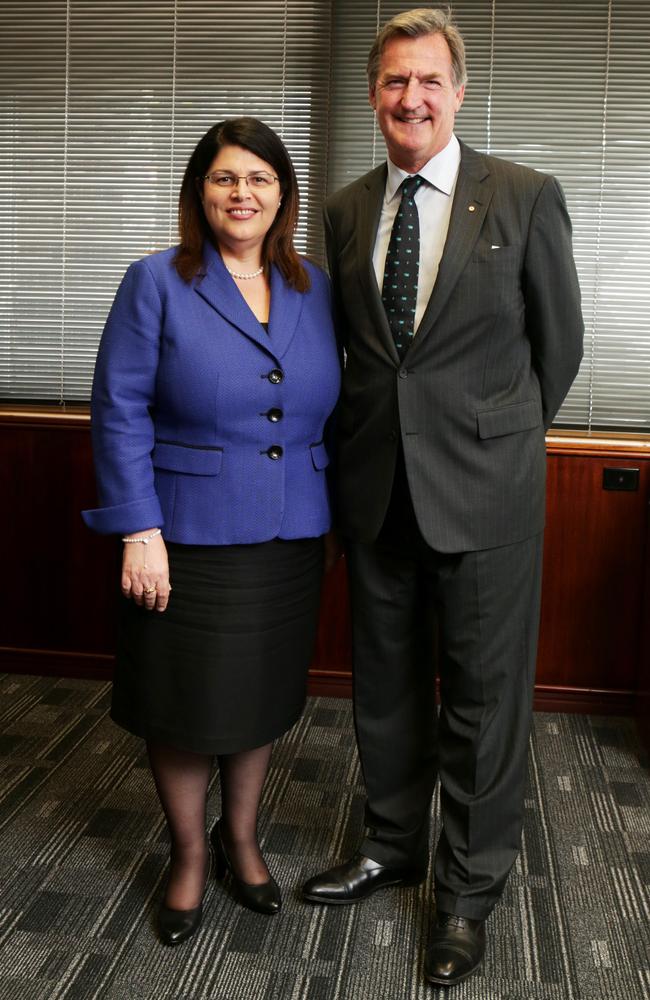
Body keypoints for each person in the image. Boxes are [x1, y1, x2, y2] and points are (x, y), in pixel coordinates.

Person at [302, 8, 583, 988]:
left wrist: (493, 440)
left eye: (426, 80)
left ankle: (466, 895)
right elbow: (348, 354)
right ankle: (391, 843)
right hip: (376, 490)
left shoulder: (521, 195)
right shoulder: (341, 211)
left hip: (486, 498)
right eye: (390, 82)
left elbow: (559, 349)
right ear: (373, 96)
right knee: (381, 692)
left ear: (457, 92)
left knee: (480, 703)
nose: (408, 99)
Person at [83, 117, 340, 946]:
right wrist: (138, 529)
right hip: (185, 533)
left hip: (292, 530)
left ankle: (242, 837)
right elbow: (119, 410)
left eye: (260, 179)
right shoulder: (155, 281)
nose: (243, 194)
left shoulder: (315, 286)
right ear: (201, 190)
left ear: (283, 196)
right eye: (226, 178)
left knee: (258, 699)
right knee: (186, 705)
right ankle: (189, 855)